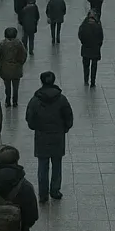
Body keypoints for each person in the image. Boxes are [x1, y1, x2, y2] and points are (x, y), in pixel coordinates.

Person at [24, 71, 74, 203]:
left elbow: (30, 118)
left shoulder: (35, 100)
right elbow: (69, 116)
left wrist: (36, 127)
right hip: (57, 136)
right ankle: (55, 190)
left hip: (42, 137)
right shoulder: (61, 99)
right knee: (57, 164)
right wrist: (65, 128)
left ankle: (43, 193)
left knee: (42, 165)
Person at [0, 27, 28, 109]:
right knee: (16, 86)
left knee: (7, 86)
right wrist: (20, 63)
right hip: (16, 68)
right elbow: (24, 55)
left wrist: (3, 62)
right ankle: (15, 101)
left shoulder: (2, 44)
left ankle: (7, 100)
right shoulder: (19, 44)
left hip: (5, 69)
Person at [77, 11, 104, 88]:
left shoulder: (84, 25)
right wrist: (98, 45)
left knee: (86, 66)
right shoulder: (98, 26)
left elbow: (80, 35)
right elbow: (101, 38)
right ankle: (93, 81)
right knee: (94, 66)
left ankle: (86, 80)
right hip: (95, 49)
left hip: (86, 48)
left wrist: (84, 42)